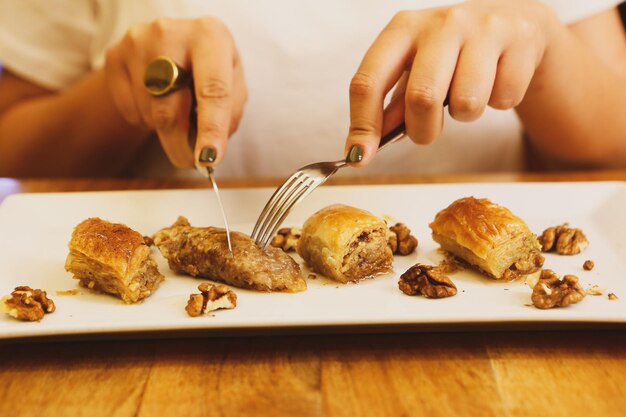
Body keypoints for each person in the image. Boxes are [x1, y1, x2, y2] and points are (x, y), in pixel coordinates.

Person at [0, 0, 624, 178]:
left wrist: (544, 48)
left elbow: (615, 144)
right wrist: (125, 97)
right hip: (151, 341)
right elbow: (14, 146)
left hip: (504, 328)